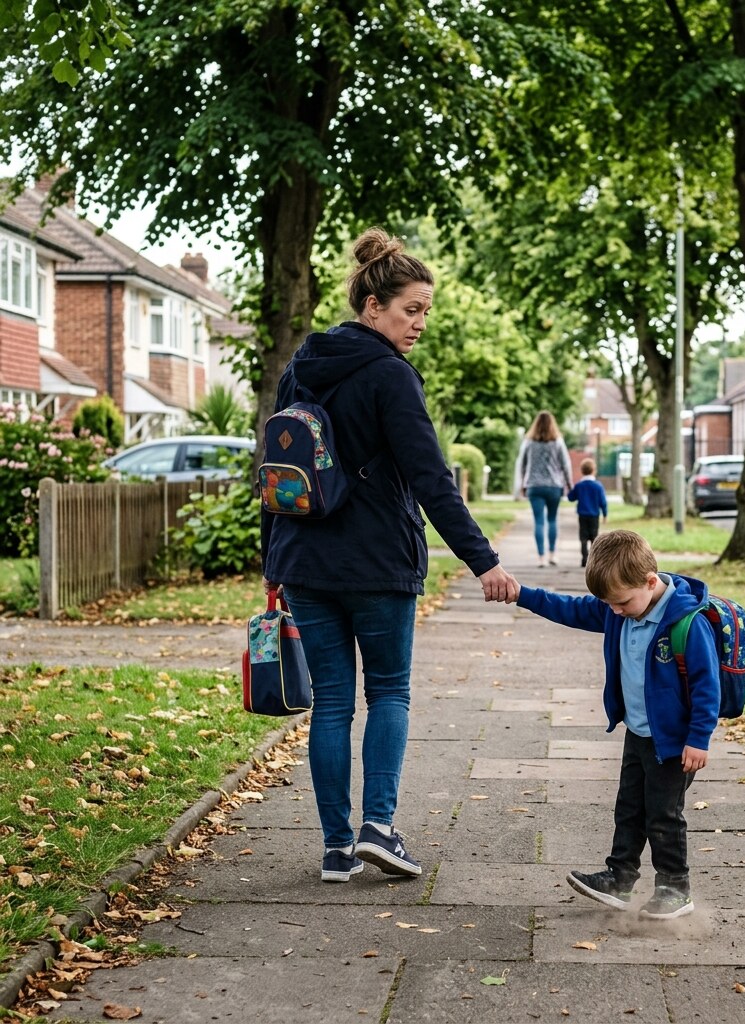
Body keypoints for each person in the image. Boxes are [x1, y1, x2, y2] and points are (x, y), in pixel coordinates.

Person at [261, 227, 518, 885]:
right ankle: (378, 827)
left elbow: (277, 473)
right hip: (377, 563)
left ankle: (336, 850)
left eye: (426, 310)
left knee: (332, 704)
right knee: (388, 692)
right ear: (373, 306)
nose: (420, 323)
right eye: (411, 309)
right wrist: (484, 561)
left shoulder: (300, 368)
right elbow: (431, 477)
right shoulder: (390, 376)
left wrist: (273, 564)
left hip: (305, 562)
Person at [515, 529, 720, 920]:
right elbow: (569, 609)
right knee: (629, 808)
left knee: (663, 814)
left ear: (650, 581)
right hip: (638, 733)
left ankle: (675, 888)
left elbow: (706, 686)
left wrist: (699, 739)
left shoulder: (687, 624)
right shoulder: (619, 609)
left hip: (674, 742)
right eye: (609, 604)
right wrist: (522, 594)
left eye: (622, 602)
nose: (616, 611)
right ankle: (619, 878)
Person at [513, 411, 573, 568]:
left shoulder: (529, 442)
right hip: (554, 486)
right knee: (552, 519)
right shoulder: (558, 442)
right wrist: (569, 484)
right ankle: (552, 555)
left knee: (539, 521)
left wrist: (522, 485)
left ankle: (541, 558)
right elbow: (566, 464)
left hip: (534, 486)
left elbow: (522, 464)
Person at [567, 457, 608, 567]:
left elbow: (571, 498)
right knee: (594, 538)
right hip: (594, 516)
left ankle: (584, 559)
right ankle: (593, 561)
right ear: (594, 470)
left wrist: (570, 488)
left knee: (583, 538)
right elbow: (603, 502)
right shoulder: (598, 486)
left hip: (582, 516)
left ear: (582, 471)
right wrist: (605, 514)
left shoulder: (579, 485)